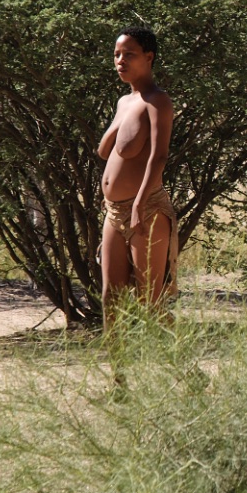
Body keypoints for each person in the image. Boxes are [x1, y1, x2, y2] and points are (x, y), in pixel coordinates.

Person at [98, 26, 178, 330]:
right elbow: (104, 151)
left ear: (149, 57)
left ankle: (182, 359)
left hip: (146, 209)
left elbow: (159, 157)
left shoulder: (158, 101)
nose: (120, 60)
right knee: (111, 297)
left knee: (150, 301)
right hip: (114, 211)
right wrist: (123, 117)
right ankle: (116, 363)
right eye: (117, 54)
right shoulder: (125, 102)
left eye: (129, 54)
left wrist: (138, 205)